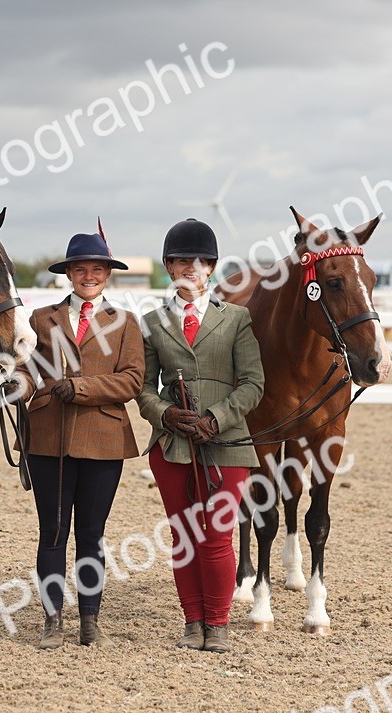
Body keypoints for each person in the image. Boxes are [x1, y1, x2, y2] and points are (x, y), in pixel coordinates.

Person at [7, 225, 145, 649]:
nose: (89, 276)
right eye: (81, 269)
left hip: (103, 439)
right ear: (69, 274)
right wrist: (16, 386)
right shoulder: (40, 318)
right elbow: (28, 372)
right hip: (49, 437)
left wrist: (81, 388)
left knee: (91, 533)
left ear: (107, 274)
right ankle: (52, 620)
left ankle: (90, 620)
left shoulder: (125, 323)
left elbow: (132, 380)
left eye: (96, 269)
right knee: (52, 532)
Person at [136, 219, 265, 654]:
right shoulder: (152, 323)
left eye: (200, 260)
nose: (191, 267)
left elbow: (253, 383)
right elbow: (142, 387)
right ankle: (193, 621)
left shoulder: (238, 319)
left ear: (211, 267)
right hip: (172, 445)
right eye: (181, 260)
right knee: (184, 537)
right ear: (169, 267)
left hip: (226, 444)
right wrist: (166, 414)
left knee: (217, 537)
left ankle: (219, 623)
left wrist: (215, 418)